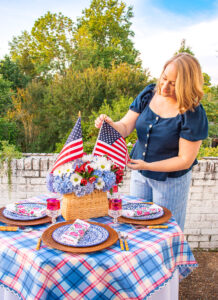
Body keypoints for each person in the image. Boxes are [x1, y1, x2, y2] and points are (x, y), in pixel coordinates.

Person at [95, 53, 208, 231]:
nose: (164, 86)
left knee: (165, 231)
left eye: (173, 83)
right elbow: (124, 127)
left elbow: (184, 160)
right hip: (140, 175)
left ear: (186, 85)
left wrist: (147, 165)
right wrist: (109, 125)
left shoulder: (193, 112)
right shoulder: (149, 93)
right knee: (135, 226)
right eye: (164, 78)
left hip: (171, 183)